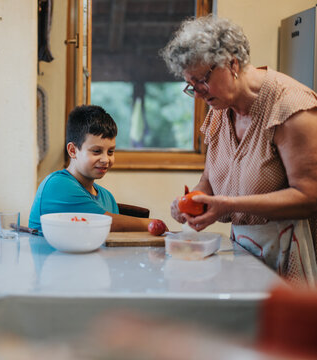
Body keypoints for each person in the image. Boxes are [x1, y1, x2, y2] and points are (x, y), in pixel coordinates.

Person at [160, 15, 317, 285]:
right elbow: (209, 180)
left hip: (290, 250)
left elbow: (309, 196)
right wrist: (193, 203)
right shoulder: (220, 109)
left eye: (202, 80)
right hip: (244, 249)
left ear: (232, 63)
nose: (197, 93)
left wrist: (226, 206)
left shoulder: (291, 107)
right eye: (191, 85)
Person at [28, 105, 164, 233]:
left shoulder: (107, 197)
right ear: (72, 150)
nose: (106, 159)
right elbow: (109, 223)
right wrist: (153, 223)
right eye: (97, 151)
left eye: (110, 152)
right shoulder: (57, 185)